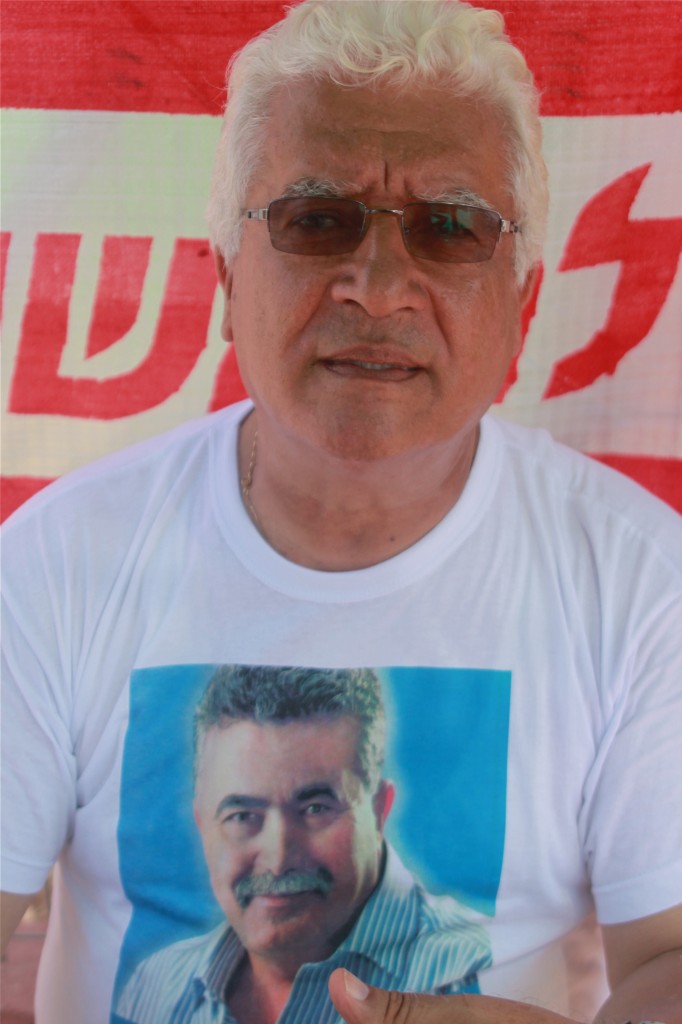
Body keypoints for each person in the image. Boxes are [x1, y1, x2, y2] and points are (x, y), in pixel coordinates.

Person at [1, 2, 680, 1024]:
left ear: (524, 305)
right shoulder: (55, 563)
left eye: (449, 227)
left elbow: (670, 957)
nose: (377, 286)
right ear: (228, 278)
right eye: (316, 220)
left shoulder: (641, 584)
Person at [114, 665, 490, 1023]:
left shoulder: (472, 972)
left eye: (315, 809)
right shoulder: (154, 985)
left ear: (379, 810)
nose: (278, 860)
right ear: (203, 825)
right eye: (242, 816)